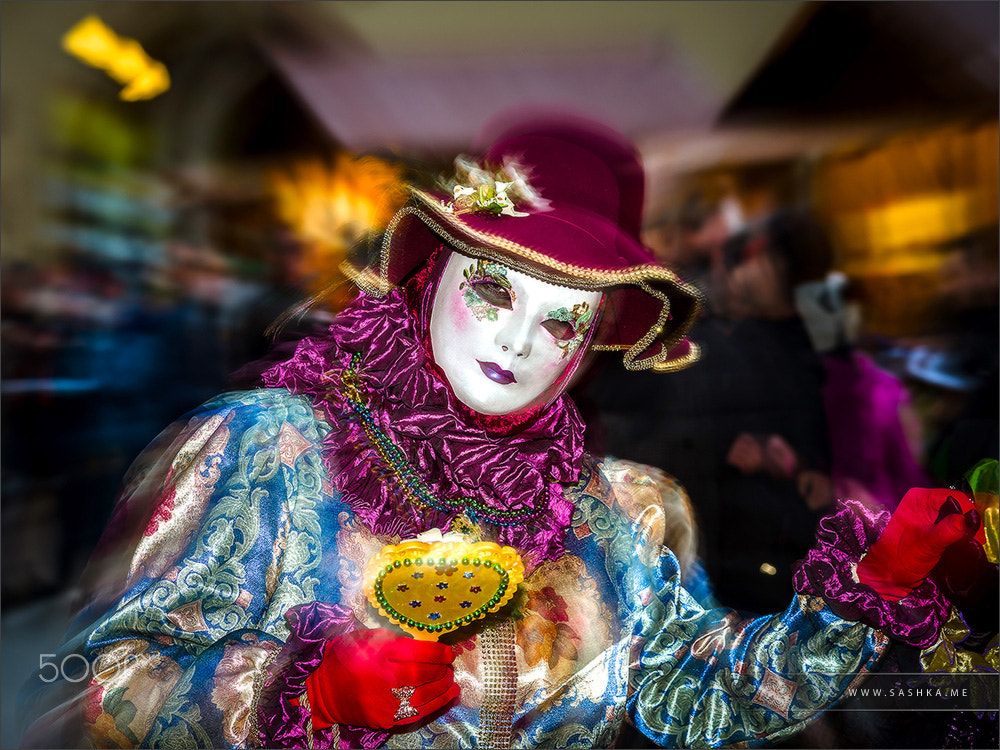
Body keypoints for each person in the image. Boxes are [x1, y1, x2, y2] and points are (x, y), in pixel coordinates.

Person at [18, 118, 987, 749]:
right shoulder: (267, 451)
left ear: (589, 351)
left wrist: (866, 594)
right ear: (429, 277)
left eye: (563, 320)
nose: (521, 341)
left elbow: (694, 695)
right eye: (494, 291)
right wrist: (292, 696)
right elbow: (100, 685)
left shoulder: (622, 512)